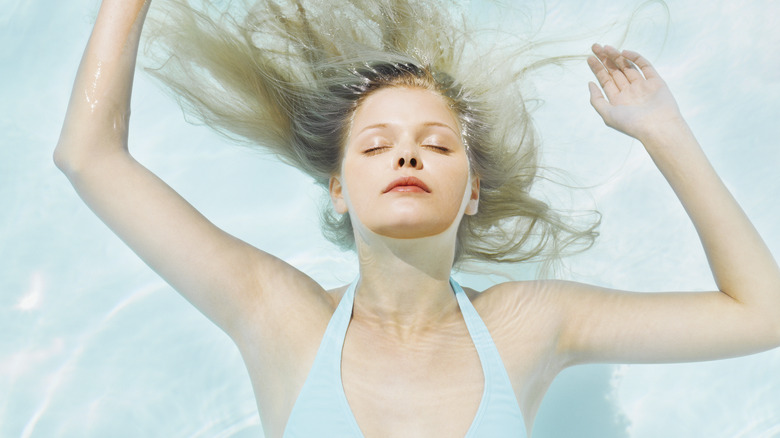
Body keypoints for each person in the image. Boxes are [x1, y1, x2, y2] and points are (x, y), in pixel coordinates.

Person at [55, 0, 780, 436]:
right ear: (338, 189)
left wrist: (662, 129)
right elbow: (89, 157)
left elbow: (763, 315)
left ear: (471, 191)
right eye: (377, 146)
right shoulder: (278, 315)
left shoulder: (527, 325)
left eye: (436, 145)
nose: (407, 158)